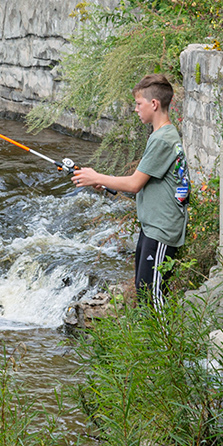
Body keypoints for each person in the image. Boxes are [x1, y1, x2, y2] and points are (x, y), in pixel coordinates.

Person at [71, 73, 190, 307]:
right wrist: (104, 184)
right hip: (153, 226)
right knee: (145, 291)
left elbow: (135, 183)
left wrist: (97, 176)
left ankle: (164, 343)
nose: (136, 109)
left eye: (138, 103)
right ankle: (154, 342)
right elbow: (144, 186)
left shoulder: (162, 140)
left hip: (162, 229)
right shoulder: (161, 135)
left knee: (153, 297)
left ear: (153, 104)